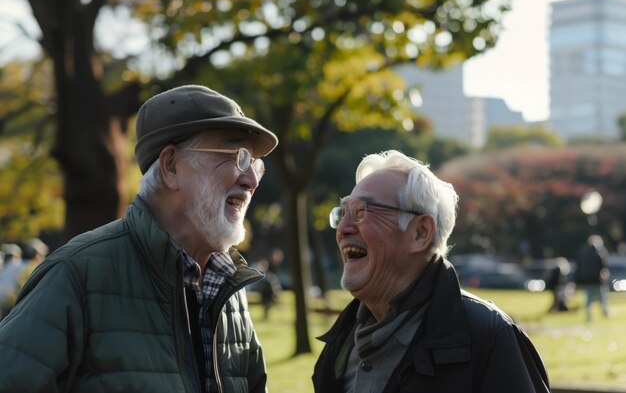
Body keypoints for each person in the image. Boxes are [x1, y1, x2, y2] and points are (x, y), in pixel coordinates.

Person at [0, 85, 278, 393]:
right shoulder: (76, 277)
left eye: (254, 164)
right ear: (171, 166)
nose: (251, 180)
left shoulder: (228, 291)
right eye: (237, 156)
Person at [312, 150, 550, 393]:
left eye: (362, 211)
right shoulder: (340, 341)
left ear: (420, 233)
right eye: (342, 214)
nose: (343, 229)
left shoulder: (489, 337)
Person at [574, 234, 610, 322]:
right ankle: (605, 312)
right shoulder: (599, 253)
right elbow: (603, 268)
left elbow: (578, 268)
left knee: (589, 298)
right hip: (597, 280)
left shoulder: (582, 253)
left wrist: (577, 280)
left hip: (586, 280)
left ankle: (588, 314)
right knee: (602, 296)